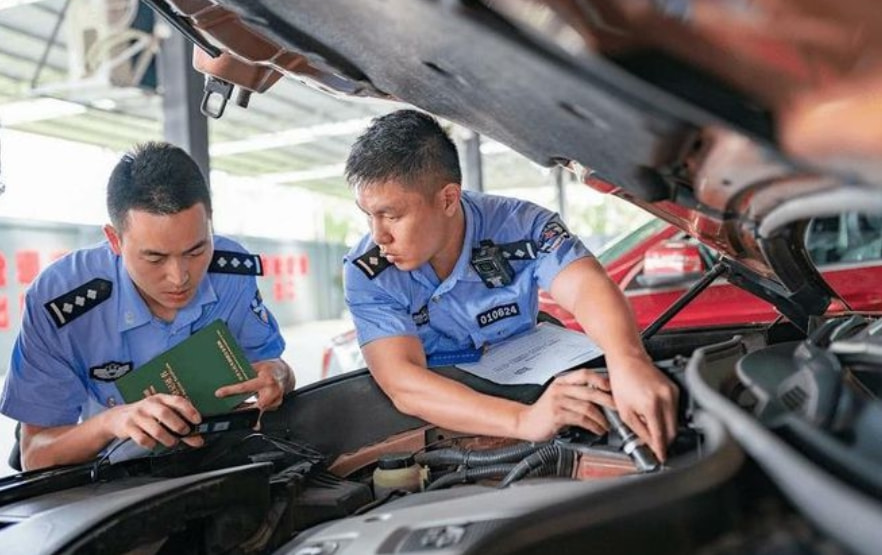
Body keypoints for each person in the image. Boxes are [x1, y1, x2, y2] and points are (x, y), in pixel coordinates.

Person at [343, 110, 678, 461]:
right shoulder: (368, 272)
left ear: (447, 199)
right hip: (448, 410)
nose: (378, 235)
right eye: (368, 214)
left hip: (534, 380)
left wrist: (628, 361)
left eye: (392, 216)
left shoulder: (523, 227)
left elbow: (583, 285)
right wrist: (524, 421)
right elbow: (403, 383)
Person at [0, 141, 295, 470]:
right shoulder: (62, 302)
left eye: (196, 251)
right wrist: (112, 422)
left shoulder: (231, 274)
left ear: (210, 224)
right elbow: (36, 455)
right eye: (155, 257)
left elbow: (273, 368)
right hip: (110, 481)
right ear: (114, 240)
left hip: (216, 462)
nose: (179, 276)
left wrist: (279, 376)